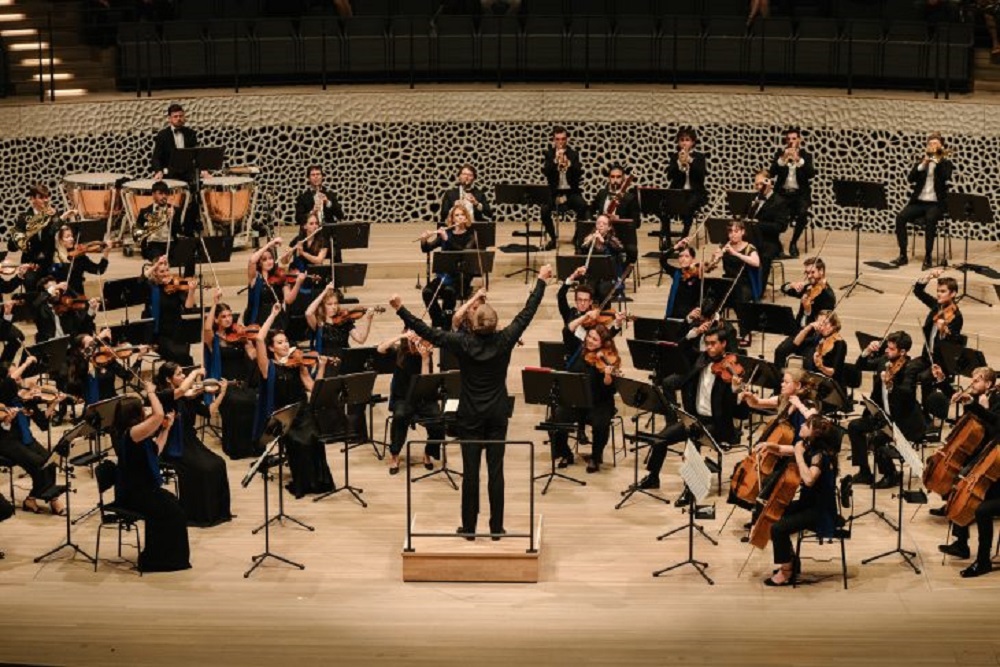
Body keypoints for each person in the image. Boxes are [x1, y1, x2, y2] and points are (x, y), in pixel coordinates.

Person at [390, 264, 552, 540]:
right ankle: (496, 528)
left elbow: (428, 332)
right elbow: (528, 312)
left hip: (470, 415)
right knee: (496, 472)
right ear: (496, 324)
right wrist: (541, 281)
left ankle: (468, 528)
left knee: (471, 473)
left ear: (474, 325)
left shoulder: (463, 343)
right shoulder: (505, 339)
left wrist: (400, 309)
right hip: (497, 414)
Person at [636, 327, 747, 504]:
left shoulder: (733, 370)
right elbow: (682, 348)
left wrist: (735, 391)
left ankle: (690, 490)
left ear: (724, 343)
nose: (709, 347)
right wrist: (693, 334)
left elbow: (741, 413)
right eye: (707, 343)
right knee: (660, 439)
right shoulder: (700, 359)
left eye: (713, 343)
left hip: (717, 424)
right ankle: (653, 477)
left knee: (693, 443)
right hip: (695, 418)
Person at [254, 303, 336, 499]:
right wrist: (273, 315)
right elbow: (258, 338)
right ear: (271, 347)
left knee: (315, 438)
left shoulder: (298, 363)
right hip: (284, 416)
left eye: (286, 341)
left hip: (303, 410)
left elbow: (312, 387)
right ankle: (303, 483)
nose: (285, 345)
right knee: (299, 442)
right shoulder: (268, 367)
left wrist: (322, 367)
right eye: (279, 342)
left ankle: (319, 482)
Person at [112, 382, 190, 572]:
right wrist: (151, 392)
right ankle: (160, 560)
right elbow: (159, 415)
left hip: (144, 489)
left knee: (175, 505)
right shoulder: (132, 433)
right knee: (172, 512)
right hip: (134, 494)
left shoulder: (138, 434)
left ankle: (168, 557)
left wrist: (166, 429)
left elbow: (156, 450)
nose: (145, 410)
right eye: (142, 408)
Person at [759, 415, 840, 586]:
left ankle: (786, 571)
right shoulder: (809, 446)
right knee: (774, 514)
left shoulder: (820, 455)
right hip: (808, 504)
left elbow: (809, 479)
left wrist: (798, 455)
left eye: (807, 425)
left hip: (820, 511)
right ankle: (791, 561)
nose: (802, 424)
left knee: (778, 528)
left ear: (814, 433)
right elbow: (786, 449)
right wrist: (769, 446)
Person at [937, 367, 1000, 577]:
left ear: (988, 384)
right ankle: (961, 543)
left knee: (981, 509)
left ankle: (983, 561)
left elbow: (994, 429)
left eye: (977, 380)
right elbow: (961, 397)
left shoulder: (995, 401)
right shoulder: (981, 397)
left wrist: (982, 407)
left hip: (991, 463)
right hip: (986, 460)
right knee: (960, 487)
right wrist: (943, 382)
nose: (972, 383)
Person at [155, 363, 232, 527]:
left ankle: (218, 513)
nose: (183, 376)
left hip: (191, 440)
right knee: (203, 469)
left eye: (183, 373)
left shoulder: (188, 396)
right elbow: (181, 390)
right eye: (179, 374)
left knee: (219, 463)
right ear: (168, 379)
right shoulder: (163, 395)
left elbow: (208, 412)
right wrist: (195, 372)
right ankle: (198, 514)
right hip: (173, 444)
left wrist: (222, 393)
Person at [848, 331, 926, 488]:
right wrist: (867, 351)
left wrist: (891, 385)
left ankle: (891, 475)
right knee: (854, 426)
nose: (886, 350)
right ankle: (864, 472)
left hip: (902, 420)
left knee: (877, 438)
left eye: (891, 349)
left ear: (902, 352)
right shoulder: (884, 360)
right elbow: (860, 366)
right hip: (883, 415)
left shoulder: (910, 368)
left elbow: (906, 394)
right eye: (887, 347)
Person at [548, 324, 620, 473]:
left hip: (600, 403)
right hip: (578, 400)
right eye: (589, 337)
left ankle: (595, 457)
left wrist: (608, 377)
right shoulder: (581, 351)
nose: (590, 341)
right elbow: (570, 372)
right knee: (555, 420)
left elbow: (612, 389)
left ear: (603, 343)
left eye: (595, 339)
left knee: (601, 424)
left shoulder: (610, 357)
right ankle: (565, 453)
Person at [0, 357, 64, 516]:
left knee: (50, 462)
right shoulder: (3, 396)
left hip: (26, 438)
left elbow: (42, 423)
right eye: (16, 376)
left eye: (19, 376)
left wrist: (54, 403)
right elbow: (8, 382)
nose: (19, 379)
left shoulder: (25, 398)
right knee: (38, 463)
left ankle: (34, 498)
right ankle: (52, 498)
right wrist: (27, 363)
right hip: (7, 441)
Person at [377, 330, 444, 475]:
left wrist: (425, 359)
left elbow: (425, 382)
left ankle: (428, 452)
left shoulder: (425, 352)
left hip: (423, 398)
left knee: (438, 420)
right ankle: (395, 454)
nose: (416, 340)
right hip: (403, 398)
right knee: (400, 416)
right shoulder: (399, 352)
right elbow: (380, 349)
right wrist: (400, 336)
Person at [203, 289, 260, 459]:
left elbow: (252, 356)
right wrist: (214, 303)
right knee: (237, 404)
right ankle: (236, 449)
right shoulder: (213, 340)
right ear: (216, 320)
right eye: (223, 317)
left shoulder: (239, 336)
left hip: (244, 382)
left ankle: (254, 446)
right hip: (225, 386)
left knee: (255, 401)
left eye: (229, 315)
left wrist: (254, 342)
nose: (228, 319)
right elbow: (207, 328)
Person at [892, 132, 954, 270]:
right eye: (930, 144)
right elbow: (910, 178)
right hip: (919, 203)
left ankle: (928, 257)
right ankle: (903, 255)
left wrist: (937, 160)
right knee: (900, 217)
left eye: (935, 144)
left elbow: (945, 176)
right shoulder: (922, 163)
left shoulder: (946, 163)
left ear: (941, 147)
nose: (932, 146)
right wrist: (924, 163)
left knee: (931, 219)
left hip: (936, 204)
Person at [910, 268, 964, 419]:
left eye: (943, 291)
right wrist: (928, 277)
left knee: (926, 378)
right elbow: (918, 292)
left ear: (953, 294)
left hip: (942, 362)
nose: (939, 294)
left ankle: (926, 414)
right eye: (938, 291)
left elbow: (954, 344)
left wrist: (944, 331)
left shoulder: (956, 317)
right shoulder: (936, 307)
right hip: (927, 357)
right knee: (908, 369)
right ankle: (912, 408)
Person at [419, 205, 480, 330]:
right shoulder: (446, 233)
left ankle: (447, 325)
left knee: (449, 292)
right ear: (452, 219)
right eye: (457, 215)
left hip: (460, 276)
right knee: (427, 292)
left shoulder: (471, 235)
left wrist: (447, 239)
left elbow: (463, 254)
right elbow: (427, 248)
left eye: (462, 214)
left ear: (466, 217)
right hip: (444, 275)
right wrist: (424, 240)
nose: (460, 217)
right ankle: (438, 321)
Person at [8, 183, 76, 291]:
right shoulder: (24, 218)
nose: (46, 200)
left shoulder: (53, 214)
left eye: (47, 197)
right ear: (32, 199)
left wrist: (62, 219)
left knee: (69, 277)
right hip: (31, 263)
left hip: (50, 262)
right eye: (41, 197)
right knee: (30, 281)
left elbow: (51, 233)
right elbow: (11, 247)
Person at [151, 103, 206, 236]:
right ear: (169, 118)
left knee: (195, 198)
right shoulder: (163, 135)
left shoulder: (191, 133)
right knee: (172, 203)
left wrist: (202, 170)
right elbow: (156, 157)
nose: (179, 119)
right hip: (170, 174)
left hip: (188, 174)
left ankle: (189, 230)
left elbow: (196, 155)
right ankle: (173, 229)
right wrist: (158, 171)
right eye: (175, 116)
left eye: (181, 116)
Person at [704, 219, 761, 341]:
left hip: (743, 282)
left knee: (740, 300)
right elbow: (708, 269)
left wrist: (735, 253)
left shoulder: (749, 247)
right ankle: (712, 329)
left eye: (736, 231)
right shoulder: (724, 246)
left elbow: (756, 262)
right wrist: (714, 259)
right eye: (730, 232)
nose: (733, 234)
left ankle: (744, 330)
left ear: (742, 232)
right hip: (728, 281)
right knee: (711, 301)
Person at [769, 127, 816, 258]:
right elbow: (771, 173)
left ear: (799, 140)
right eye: (788, 139)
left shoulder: (806, 156)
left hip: (799, 195)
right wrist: (783, 158)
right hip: (782, 194)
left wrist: (798, 159)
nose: (791, 141)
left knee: (802, 214)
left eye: (794, 138)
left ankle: (793, 243)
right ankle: (777, 245)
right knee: (771, 213)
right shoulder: (779, 154)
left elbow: (811, 174)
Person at [142, 255, 197, 365]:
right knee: (180, 356)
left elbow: (188, 307)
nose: (166, 274)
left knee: (185, 357)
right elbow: (140, 280)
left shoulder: (176, 286)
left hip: (177, 332)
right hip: (159, 334)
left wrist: (191, 291)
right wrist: (156, 265)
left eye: (167, 270)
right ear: (155, 273)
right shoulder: (151, 287)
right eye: (161, 271)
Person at [540, 126, 588, 251]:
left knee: (583, 206)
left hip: (571, 193)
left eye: (563, 139)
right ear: (553, 140)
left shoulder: (573, 154)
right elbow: (546, 172)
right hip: (554, 193)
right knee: (544, 210)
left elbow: (578, 174)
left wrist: (570, 164)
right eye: (557, 139)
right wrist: (555, 161)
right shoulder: (549, 154)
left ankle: (577, 238)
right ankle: (553, 238)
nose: (560, 142)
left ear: (567, 139)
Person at [246, 237, 307, 331]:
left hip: (278, 318)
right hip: (259, 320)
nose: (269, 261)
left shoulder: (279, 277)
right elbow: (252, 260)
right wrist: (270, 244)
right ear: (259, 263)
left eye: (270, 258)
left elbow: (289, 300)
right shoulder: (255, 277)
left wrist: (298, 283)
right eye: (264, 259)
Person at [663, 128, 708, 249]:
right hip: (679, 192)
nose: (684, 143)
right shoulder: (674, 157)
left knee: (689, 206)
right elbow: (669, 176)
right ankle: (666, 238)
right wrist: (678, 163)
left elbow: (701, 176)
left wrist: (690, 160)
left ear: (693, 142)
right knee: (663, 206)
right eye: (681, 140)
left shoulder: (699, 157)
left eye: (687, 140)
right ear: (678, 142)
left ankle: (684, 238)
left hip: (695, 193)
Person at [744, 170, 789, 287]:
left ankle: (758, 290)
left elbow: (781, 226)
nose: (759, 187)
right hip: (750, 238)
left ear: (769, 183)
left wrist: (759, 224)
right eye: (756, 184)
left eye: (761, 184)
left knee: (764, 256)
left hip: (769, 241)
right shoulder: (753, 198)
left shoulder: (779, 201)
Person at [590, 163, 640, 262]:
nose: (615, 180)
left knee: (632, 250)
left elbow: (637, 223)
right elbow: (590, 210)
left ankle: (622, 271)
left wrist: (618, 219)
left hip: (622, 235)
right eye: (612, 177)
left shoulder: (631, 198)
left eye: (618, 177)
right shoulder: (602, 193)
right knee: (582, 245)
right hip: (602, 233)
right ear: (609, 178)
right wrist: (596, 220)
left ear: (623, 178)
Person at [294, 165, 344, 261]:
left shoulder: (330, 195)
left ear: (322, 177)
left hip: (328, 233)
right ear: (308, 178)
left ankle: (335, 271)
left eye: (318, 174)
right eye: (313, 175)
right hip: (310, 234)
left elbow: (340, 215)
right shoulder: (302, 197)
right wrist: (312, 212)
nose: (316, 177)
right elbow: (298, 218)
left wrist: (328, 203)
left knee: (336, 248)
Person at [31, 276, 99, 343]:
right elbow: (36, 303)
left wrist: (91, 310)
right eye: (53, 289)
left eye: (57, 288)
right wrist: (56, 287)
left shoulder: (66, 308)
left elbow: (82, 326)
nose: (56, 291)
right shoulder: (40, 308)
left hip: (68, 344)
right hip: (49, 345)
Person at [576, 214, 626, 303]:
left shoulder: (613, 240)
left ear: (609, 227)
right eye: (598, 223)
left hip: (609, 277)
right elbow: (581, 255)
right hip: (593, 275)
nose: (601, 225)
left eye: (604, 223)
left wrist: (604, 242)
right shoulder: (590, 238)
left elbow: (617, 251)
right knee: (588, 290)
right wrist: (587, 244)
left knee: (602, 290)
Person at [134, 181, 182, 262]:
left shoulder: (175, 210)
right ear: (153, 195)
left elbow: (178, 230)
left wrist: (172, 219)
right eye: (160, 193)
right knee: (160, 261)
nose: (164, 196)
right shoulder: (145, 211)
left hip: (171, 243)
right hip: (153, 244)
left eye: (166, 194)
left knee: (189, 255)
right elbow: (137, 233)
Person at [663, 243, 704, 320]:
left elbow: (699, 297)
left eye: (687, 256)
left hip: (688, 316)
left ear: (693, 259)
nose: (683, 259)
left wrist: (699, 273)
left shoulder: (696, 276)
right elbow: (662, 260)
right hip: (673, 314)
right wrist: (675, 247)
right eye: (680, 256)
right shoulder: (676, 272)